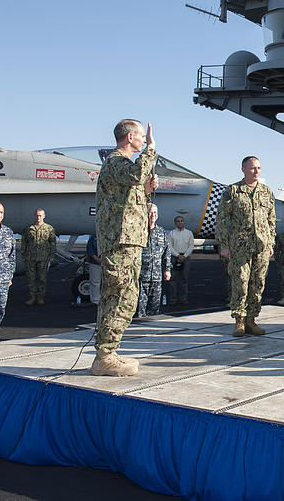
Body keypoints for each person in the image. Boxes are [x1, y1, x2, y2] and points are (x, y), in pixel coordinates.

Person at [91, 119, 158, 377]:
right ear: (130, 137)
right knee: (120, 295)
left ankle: (109, 351)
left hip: (128, 240)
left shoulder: (123, 166)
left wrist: (146, 190)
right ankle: (105, 356)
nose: (144, 140)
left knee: (125, 295)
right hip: (121, 242)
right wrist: (151, 149)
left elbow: (131, 194)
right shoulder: (117, 161)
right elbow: (136, 174)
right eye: (141, 136)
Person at [217, 156, 277, 337]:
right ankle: (239, 321)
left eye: (258, 167)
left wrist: (271, 242)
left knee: (258, 283)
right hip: (240, 246)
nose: (256, 171)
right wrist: (224, 244)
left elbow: (271, 220)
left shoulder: (266, 192)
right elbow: (221, 219)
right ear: (243, 169)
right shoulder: (233, 191)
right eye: (252, 168)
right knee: (241, 283)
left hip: (261, 246)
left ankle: (252, 320)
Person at [138, 204, 172, 317]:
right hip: (141, 276)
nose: (153, 215)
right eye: (151, 212)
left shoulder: (161, 232)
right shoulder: (139, 231)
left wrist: (167, 269)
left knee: (155, 308)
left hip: (157, 277)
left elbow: (167, 252)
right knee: (140, 307)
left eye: (155, 213)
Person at [20, 208, 56, 306]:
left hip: (43, 258)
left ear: (44, 216)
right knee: (31, 279)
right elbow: (24, 243)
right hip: (30, 258)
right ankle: (32, 297)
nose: (38, 217)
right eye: (37, 215)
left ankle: (40, 297)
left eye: (40, 215)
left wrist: (51, 256)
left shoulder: (49, 229)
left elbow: (52, 243)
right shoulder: (28, 229)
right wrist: (23, 255)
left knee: (42, 278)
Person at [0, 201, 16, 340]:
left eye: (1, 212)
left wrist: (10, 276)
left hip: (3, 279)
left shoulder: (8, 232)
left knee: (1, 309)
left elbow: (12, 256)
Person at [167, 216, 194, 305]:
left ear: (184, 222)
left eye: (182, 221)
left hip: (185, 258)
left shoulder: (189, 233)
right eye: (178, 221)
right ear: (175, 223)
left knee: (184, 279)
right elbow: (169, 246)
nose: (180, 223)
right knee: (172, 279)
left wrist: (184, 256)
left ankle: (184, 298)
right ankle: (173, 298)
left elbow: (191, 246)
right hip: (175, 257)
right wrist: (177, 255)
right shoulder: (172, 233)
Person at [86, 234, 101, 305]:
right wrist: (96, 258)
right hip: (95, 263)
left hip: (106, 262)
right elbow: (90, 249)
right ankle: (95, 300)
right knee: (95, 282)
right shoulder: (94, 237)